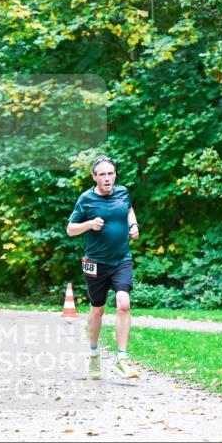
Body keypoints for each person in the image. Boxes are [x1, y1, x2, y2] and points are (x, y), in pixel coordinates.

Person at [66, 155, 140, 380]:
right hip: (95, 263)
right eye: (103, 174)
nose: (108, 178)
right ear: (94, 176)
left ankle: (122, 359)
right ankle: (94, 354)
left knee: (124, 304)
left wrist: (133, 224)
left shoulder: (123, 192)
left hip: (121, 260)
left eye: (111, 173)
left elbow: (128, 210)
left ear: (115, 175)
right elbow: (70, 229)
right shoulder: (86, 199)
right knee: (97, 310)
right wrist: (89, 224)